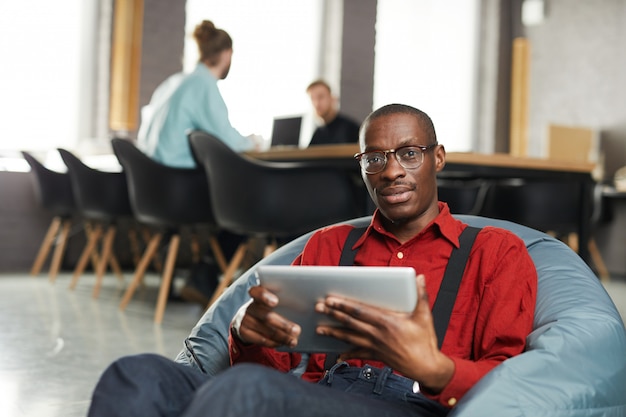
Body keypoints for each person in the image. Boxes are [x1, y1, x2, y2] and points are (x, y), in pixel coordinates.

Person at [87, 104, 537, 417]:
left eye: (409, 153)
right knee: (137, 374)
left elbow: (519, 387)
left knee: (248, 393)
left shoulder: (495, 252)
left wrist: (435, 369)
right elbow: (270, 372)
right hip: (309, 394)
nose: (392, 170)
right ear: (362, 167)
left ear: (437, 158)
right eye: (375, 158)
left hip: (413, 407)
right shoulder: (327, 246)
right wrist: (246, 334)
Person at [137, 20, 259, 169]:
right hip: (174, 176)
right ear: (227, 54)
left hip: (149, 173)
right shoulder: (203, 85)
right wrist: (253, 143)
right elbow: (227, 140)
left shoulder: (175, 81)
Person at [306, 79, 360, 146]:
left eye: (321, 97)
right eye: (313, 98)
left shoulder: (350, 128)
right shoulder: (318, 133)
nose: (316, 103)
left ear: (332, 98)